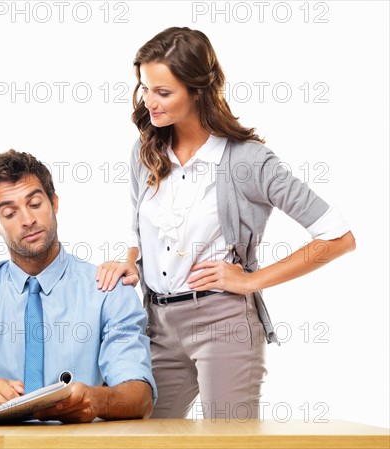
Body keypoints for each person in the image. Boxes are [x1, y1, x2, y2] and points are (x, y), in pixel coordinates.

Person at [96, 27, 356, 420]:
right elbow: (141, 231)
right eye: (145, 88)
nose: (149, 101)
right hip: (156, 323)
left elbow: (337, 236)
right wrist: (130, 261)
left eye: (163, 92)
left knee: (228, 442)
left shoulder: (248, 161)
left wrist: (251, 280)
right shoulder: (145, 150)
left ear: (198, 91)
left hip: (223, 322)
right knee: (142, 436)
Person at [0, 150, 155, 422]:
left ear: (54, 203)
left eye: (35, 204)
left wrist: (96, 401)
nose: (27, 220)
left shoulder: (107, 290)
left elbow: (140, 398)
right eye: (10, 213)